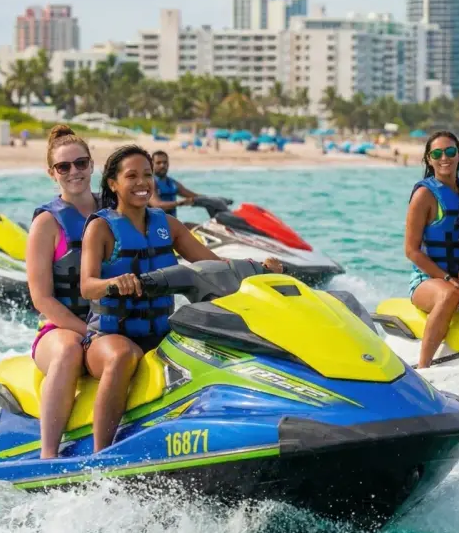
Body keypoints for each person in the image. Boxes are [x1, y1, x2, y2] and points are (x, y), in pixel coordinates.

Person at [80, 145, 280, 451]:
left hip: (160, 332)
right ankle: (100, 456)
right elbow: (87, 286)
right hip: (109, 336)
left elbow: (214, 266)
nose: (142, 182)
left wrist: (260, 268)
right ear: (112, 183)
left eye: (147, 175)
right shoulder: (101, 228)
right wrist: (114, 282)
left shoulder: (168, 226)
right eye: (131, 176)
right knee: (123, 356)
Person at [27, 125, 98, 459]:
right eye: (64, 167)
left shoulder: (113, 211)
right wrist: (86, 332)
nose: (74, 172)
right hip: (59, 330)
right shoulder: (46, 223)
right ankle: (48, 455)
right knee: (70, 350)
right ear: (51, 173)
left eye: (80, 163)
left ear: (92, 165)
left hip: (107, 323)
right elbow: (41, 298)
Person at [404, 131, 459, 368]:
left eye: (450, 152)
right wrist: (447, 278)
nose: (445, 158)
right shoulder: (424, 195)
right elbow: (411, 251)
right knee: (448, 294)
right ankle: (424, 368)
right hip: (427, 280)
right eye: (437, 153)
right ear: (428, 159)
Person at [147, 150, 198, 216]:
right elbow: (157, 205)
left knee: (200, 226)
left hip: (172, 224)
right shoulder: (149, 183)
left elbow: (195, 196)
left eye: (165, 162)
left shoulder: (172, 183)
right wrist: (180, 203)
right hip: (155, 224)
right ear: (152, 164)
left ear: (168, 164)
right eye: (158, 163)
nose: (162, 165)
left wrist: (209, 199)